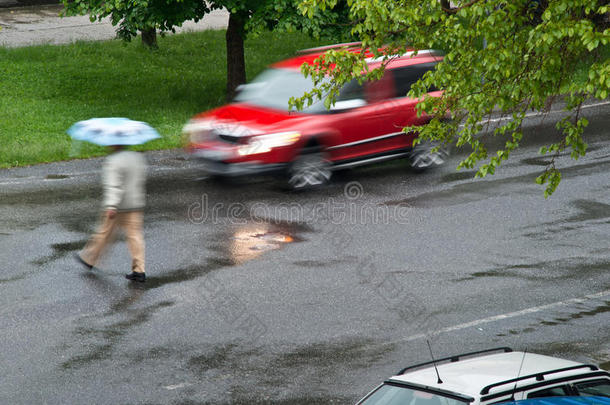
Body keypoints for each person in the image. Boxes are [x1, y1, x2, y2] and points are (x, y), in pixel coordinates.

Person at [76, 145, 148, 282]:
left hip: (119, 206)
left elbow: (114, 186)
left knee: (104, 233)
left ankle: (89, 259)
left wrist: (111, 205)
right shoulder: (137, 157)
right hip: (135, 204)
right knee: (135, 236)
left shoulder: (113, 161)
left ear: (114, 144)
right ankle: (139, 271)